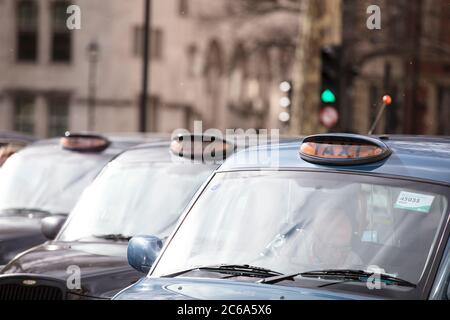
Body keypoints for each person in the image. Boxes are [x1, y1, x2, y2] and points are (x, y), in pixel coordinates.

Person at [290, 208, 363, 271]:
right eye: (333, 247)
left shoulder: (354, 261)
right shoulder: (294, 260)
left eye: (344, 248)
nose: (338, 255)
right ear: (316, 240)